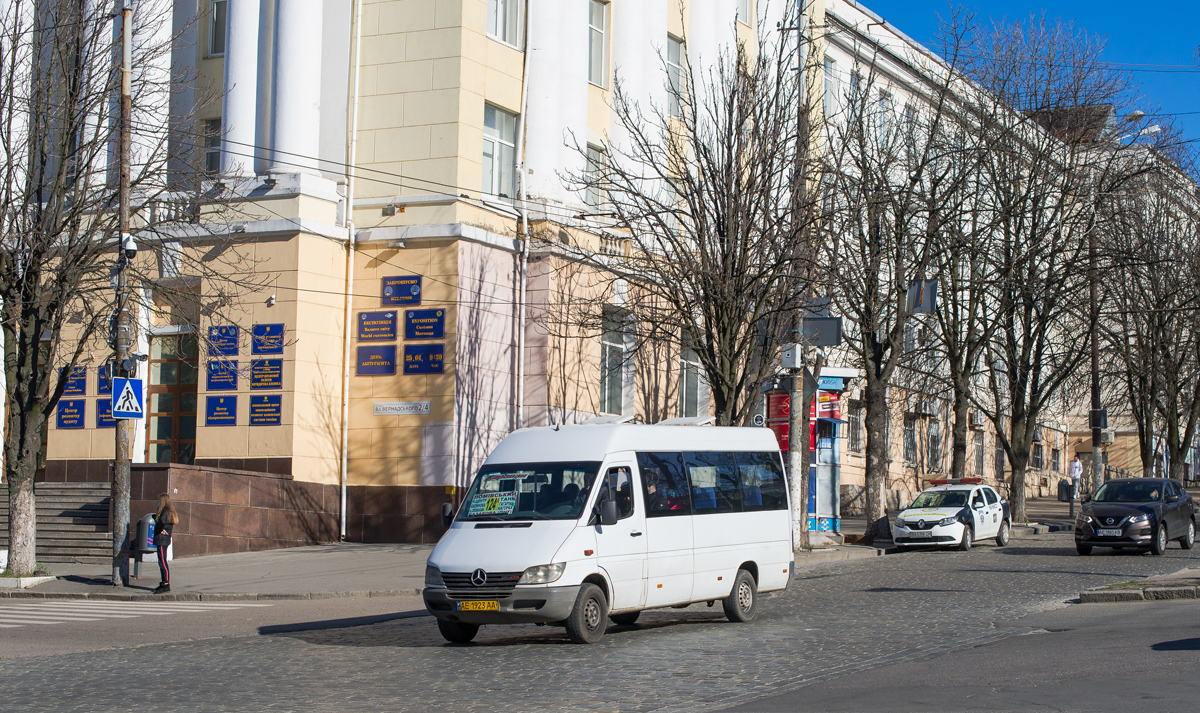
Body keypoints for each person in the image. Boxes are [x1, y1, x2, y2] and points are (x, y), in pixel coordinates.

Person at [153, 493, 179, 594]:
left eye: (159, 501)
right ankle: (164, 581)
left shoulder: (165, 512)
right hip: (164, 539)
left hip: (161, 539)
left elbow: (161, 523)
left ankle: (166, 583)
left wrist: (160, 529)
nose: (158, 503)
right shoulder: (169, 512)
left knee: (162, 562)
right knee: (162, 561)